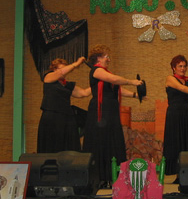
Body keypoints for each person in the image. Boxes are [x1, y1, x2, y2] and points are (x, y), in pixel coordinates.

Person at [82, 45, 144, 186]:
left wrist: (136, 95)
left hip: (110, 110)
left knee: (112, 140)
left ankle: (111, 176)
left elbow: (118, 89)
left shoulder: (106, 73)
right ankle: (100, 177)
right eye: (106, 57)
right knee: (101, 141)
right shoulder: (97, 71)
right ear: (98, 58)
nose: (109, 59)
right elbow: (115, 80)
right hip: (101, 111)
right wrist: (132, 81)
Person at [37, 57, 92, 153]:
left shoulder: (66, 84)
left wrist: (97, 84)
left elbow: (83, 93)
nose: (64, 71)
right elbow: (61, 73)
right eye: (60, 68)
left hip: (66, 117)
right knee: (52, 144)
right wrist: (76, 63)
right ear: (54, 69)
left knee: (68, 145)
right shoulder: (48, 77)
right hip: (52, 116)